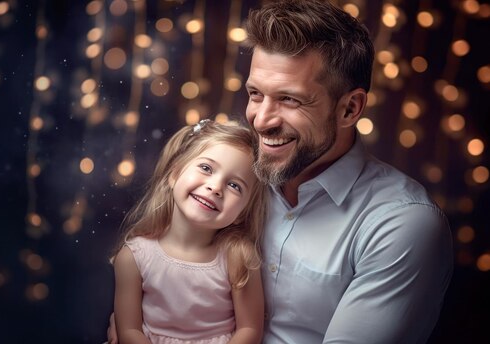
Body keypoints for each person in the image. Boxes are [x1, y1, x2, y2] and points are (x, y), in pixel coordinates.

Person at [109, 0, 453, 343]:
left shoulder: (401, 225)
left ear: (350, 108)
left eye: (290, 100)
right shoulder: (235, 179)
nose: (261, 119)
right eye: (256, 94)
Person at [111, 120, 269, 343]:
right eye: (206, 168)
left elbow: (250, 330)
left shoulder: (239, 258)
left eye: (235, 185)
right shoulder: (133, 257)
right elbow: (129, 331)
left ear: (243, 213)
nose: (215, 187)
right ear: (174, 174)